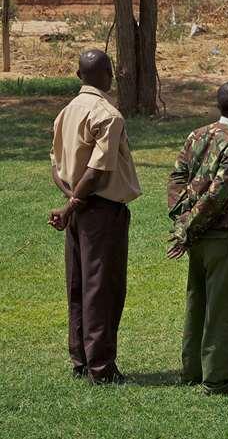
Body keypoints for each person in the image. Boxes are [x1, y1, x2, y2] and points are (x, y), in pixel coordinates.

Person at [166, 81, 228, 395]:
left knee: (199, 303)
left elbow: (177, 179)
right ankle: (219, 380)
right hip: (226, 236)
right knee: (226, 309)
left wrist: (184, 221)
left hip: (200, 237)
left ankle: (194, 371)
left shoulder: (198, 135)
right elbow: (217, 195)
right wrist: (186, 228)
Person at [48, 49, 141, 384]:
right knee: (102, 288)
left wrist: (71, 200)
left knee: (78, 286)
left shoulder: (65, 113)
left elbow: (56, 169)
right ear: (108, 72)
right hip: (100, 211)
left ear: (78, 75)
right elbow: (99, 171)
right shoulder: (108, 115)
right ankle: (101, 368)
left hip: (79, 209)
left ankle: (81, 359)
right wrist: (74, 204)